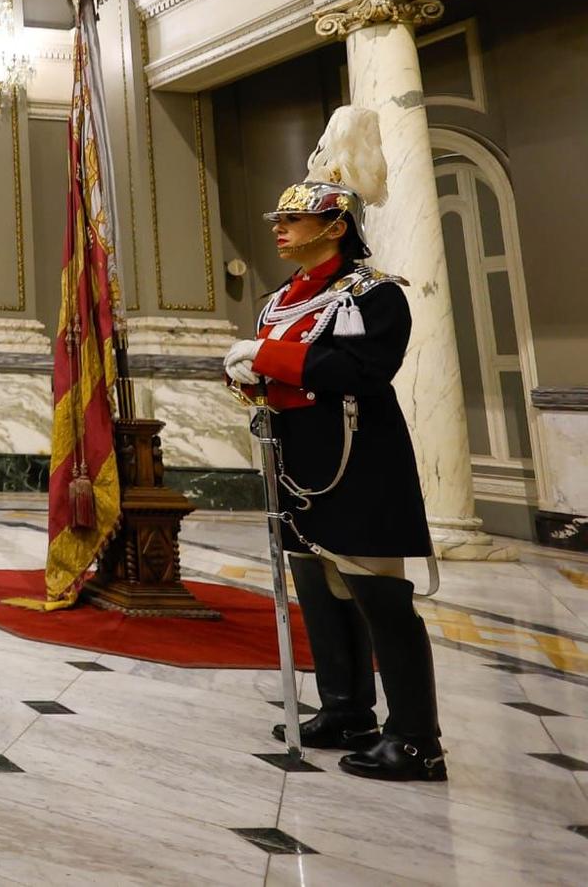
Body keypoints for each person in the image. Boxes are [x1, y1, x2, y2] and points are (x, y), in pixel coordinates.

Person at [224, 107, 444, 782]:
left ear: (336, 225)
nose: (280, 230)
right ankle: (346, 705)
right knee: (317, 587)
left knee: (378, 595)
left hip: (360, 461)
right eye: (279, 222)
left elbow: (357, 369)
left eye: (293, 220)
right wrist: (249, 379)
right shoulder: (278, 300)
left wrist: (270, 357)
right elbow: (277, 368)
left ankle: (416, 736)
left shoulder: (375, 296)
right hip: (299, 461)